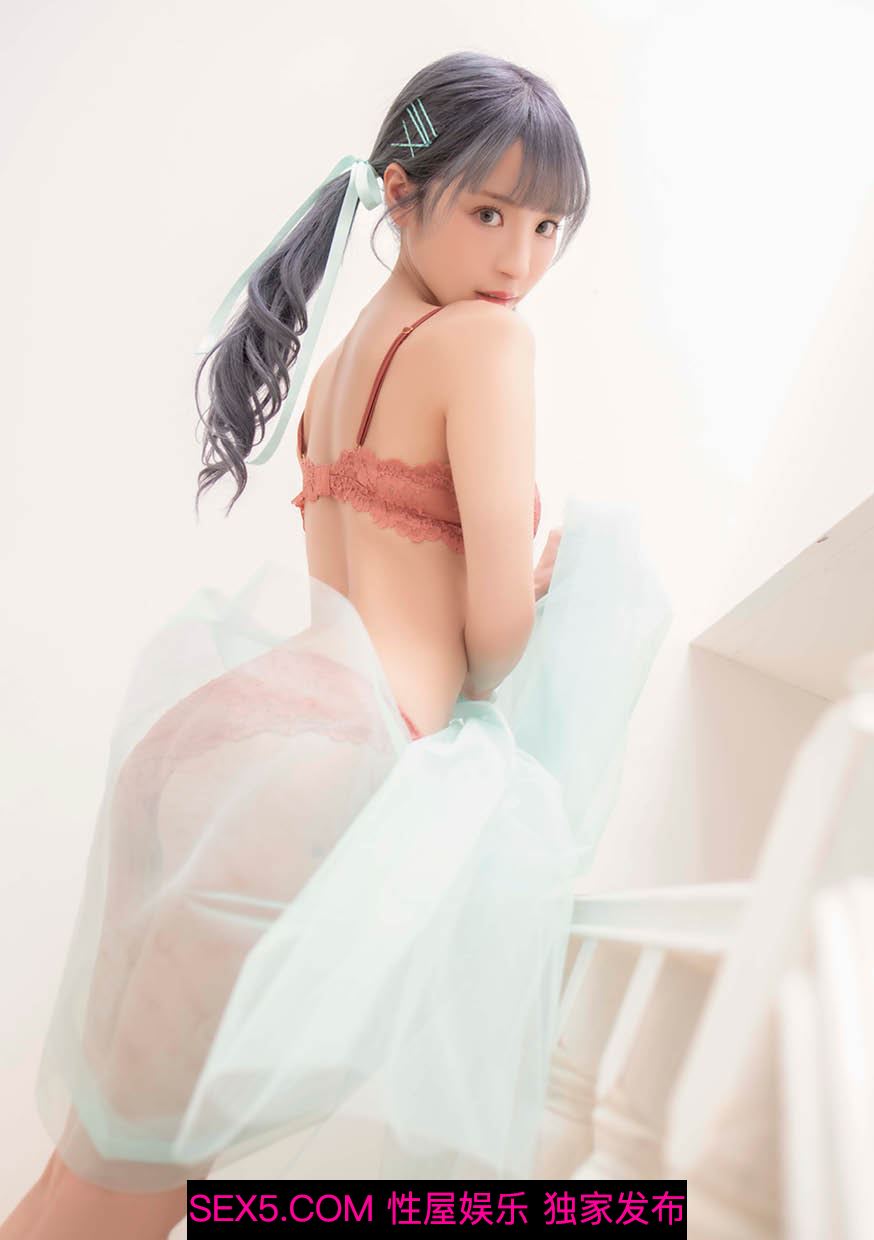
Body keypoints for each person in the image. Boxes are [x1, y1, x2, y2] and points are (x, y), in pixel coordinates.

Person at [1, 49, 672, 1239]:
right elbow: (491, 647)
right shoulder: (485, 345)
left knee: (92, 1165)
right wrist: (531, 585)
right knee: (137, 1189)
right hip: (330, 763)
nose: (519, 262)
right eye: (490, 214)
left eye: (546, 228)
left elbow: (357, 588)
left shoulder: (335, 373)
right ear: (399, 193)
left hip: (227, 733)